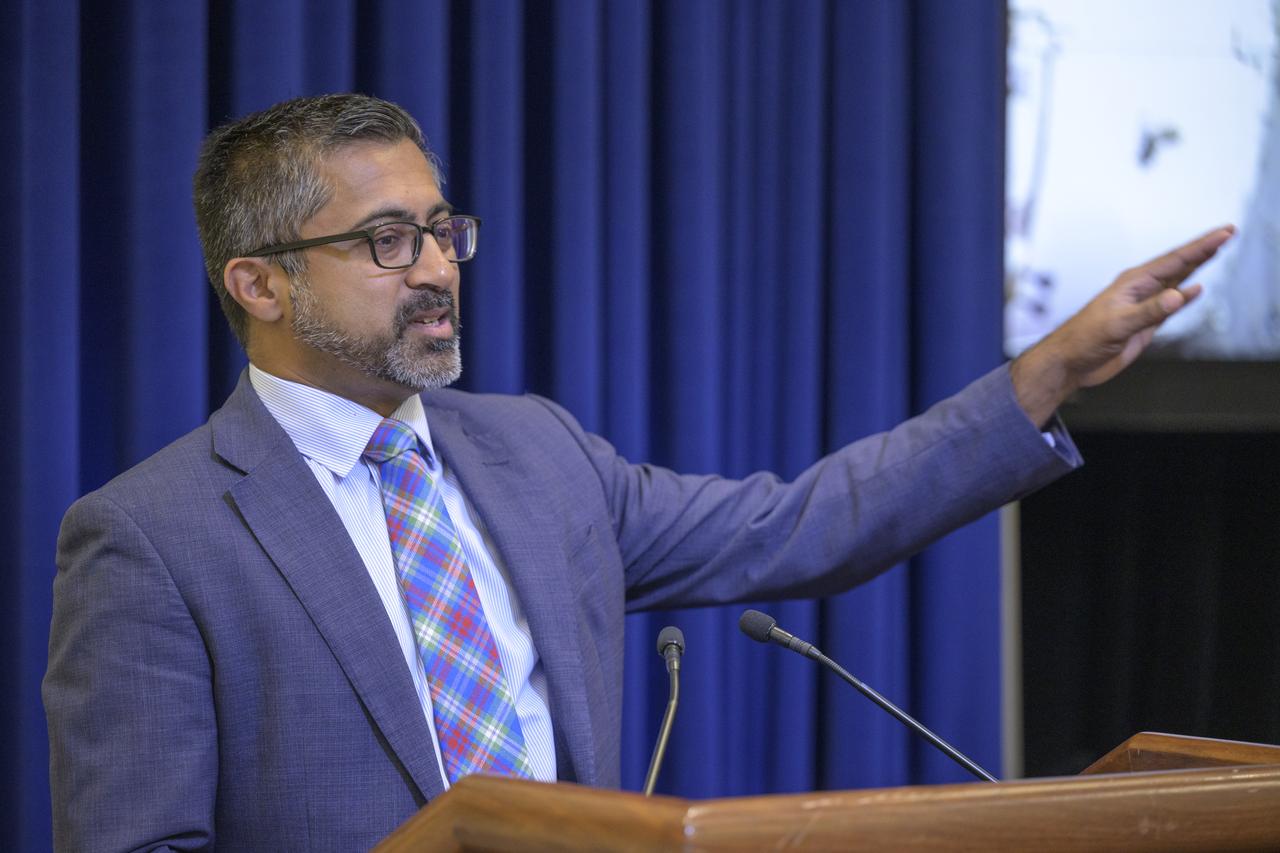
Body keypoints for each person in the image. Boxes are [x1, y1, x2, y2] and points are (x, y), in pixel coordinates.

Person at [43, 93, 1234, 852]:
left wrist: (1044, 375)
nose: (436, 270)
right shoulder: (152, 535)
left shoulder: (536, 454)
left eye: (440, 229)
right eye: (383, 241)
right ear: (259, 283)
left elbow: (802, 527)